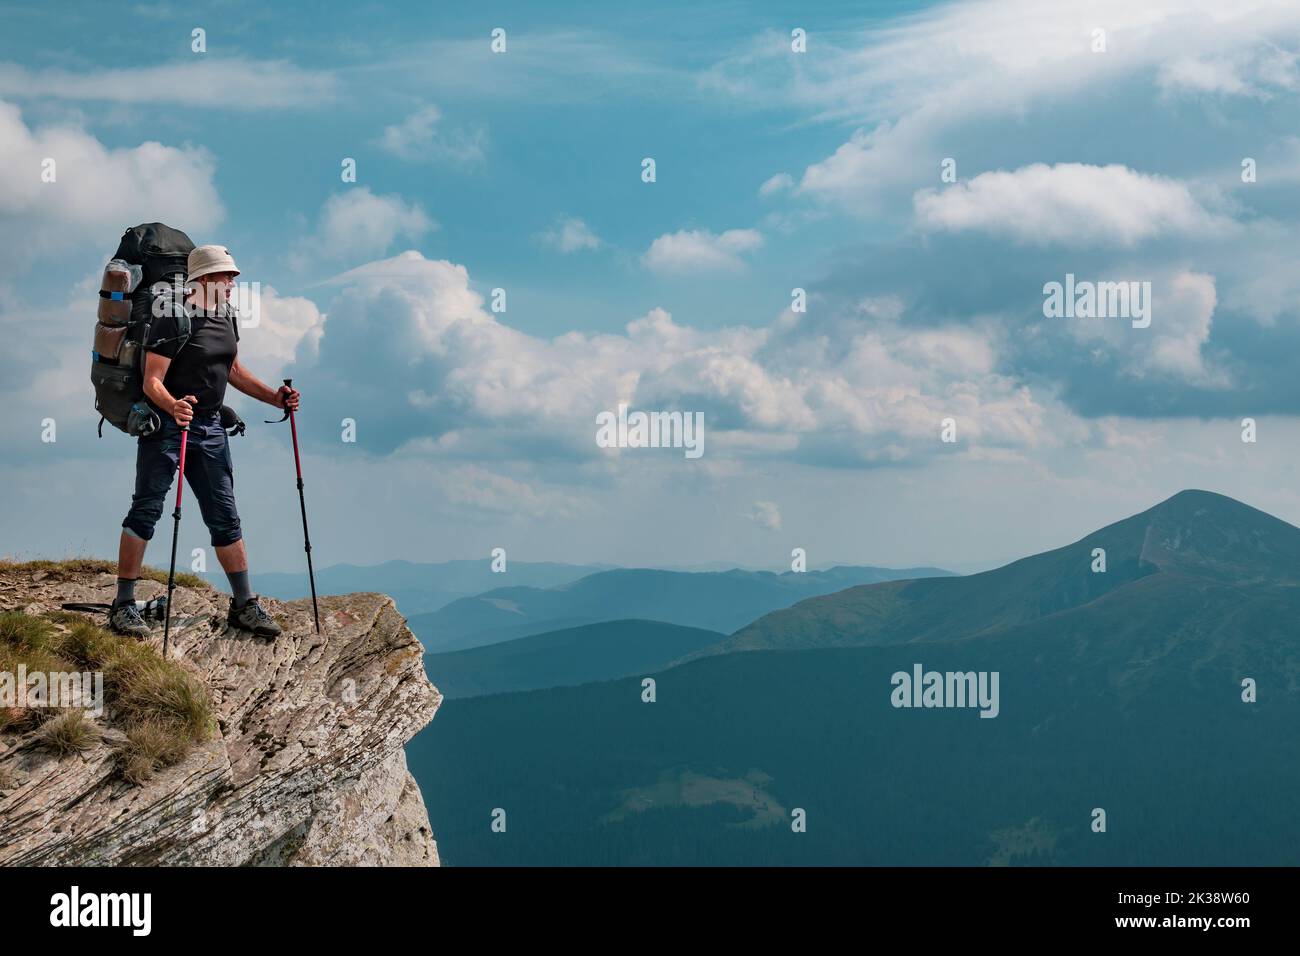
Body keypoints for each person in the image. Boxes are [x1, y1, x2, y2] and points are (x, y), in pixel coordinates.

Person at [109, 244, 300, 639]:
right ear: (201, 279)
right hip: (166, 429)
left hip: (210, 428)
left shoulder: (226, 316)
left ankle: (244, 605)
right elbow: (152, 381)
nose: (231, 283)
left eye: (232, 277)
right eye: (224, 276)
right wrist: (173, 406)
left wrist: (273, 396)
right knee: (147, 510)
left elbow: (231, 368)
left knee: (225, 515)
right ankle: (123, 604)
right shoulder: (171, 317)